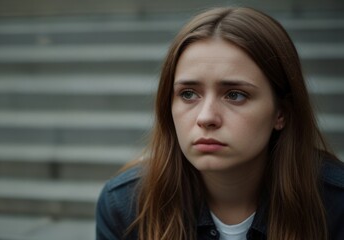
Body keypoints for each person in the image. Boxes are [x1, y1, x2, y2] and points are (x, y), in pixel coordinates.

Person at [96, 7, 344, 240]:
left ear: (281, 112)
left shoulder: (336, 205)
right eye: (188, 94)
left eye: (235, 95)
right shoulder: (126, 206)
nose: (205, 118)